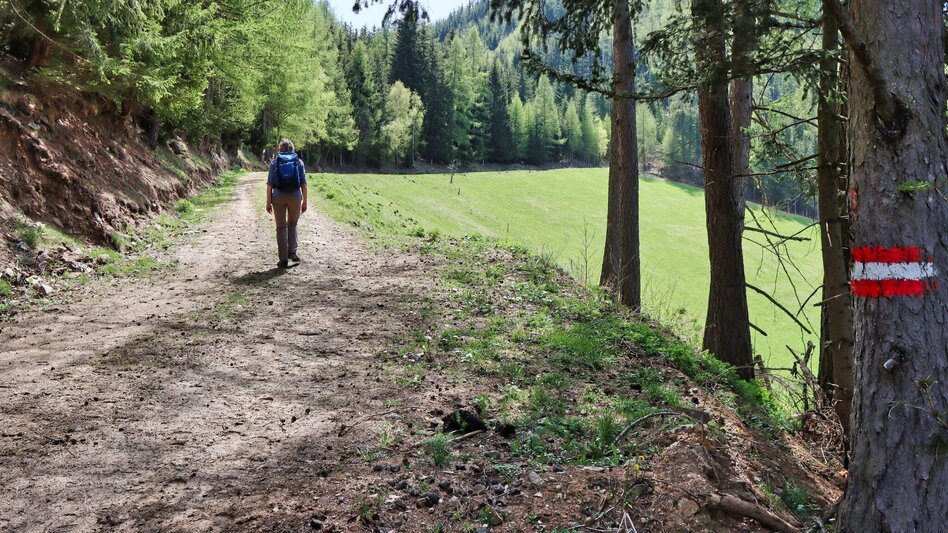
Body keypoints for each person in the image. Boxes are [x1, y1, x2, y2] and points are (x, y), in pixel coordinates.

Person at [266, 139, 308, 268]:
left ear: (280, 149)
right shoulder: (298, 162)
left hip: (278, 196)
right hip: (295, 196)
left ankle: (283, 259)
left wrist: (268, 202)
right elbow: (303, 184)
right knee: (293, 223)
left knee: (281, 227)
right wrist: (305, 202)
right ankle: (292, 252)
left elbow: (269, 184)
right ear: (292, 149)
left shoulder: (275, 162)